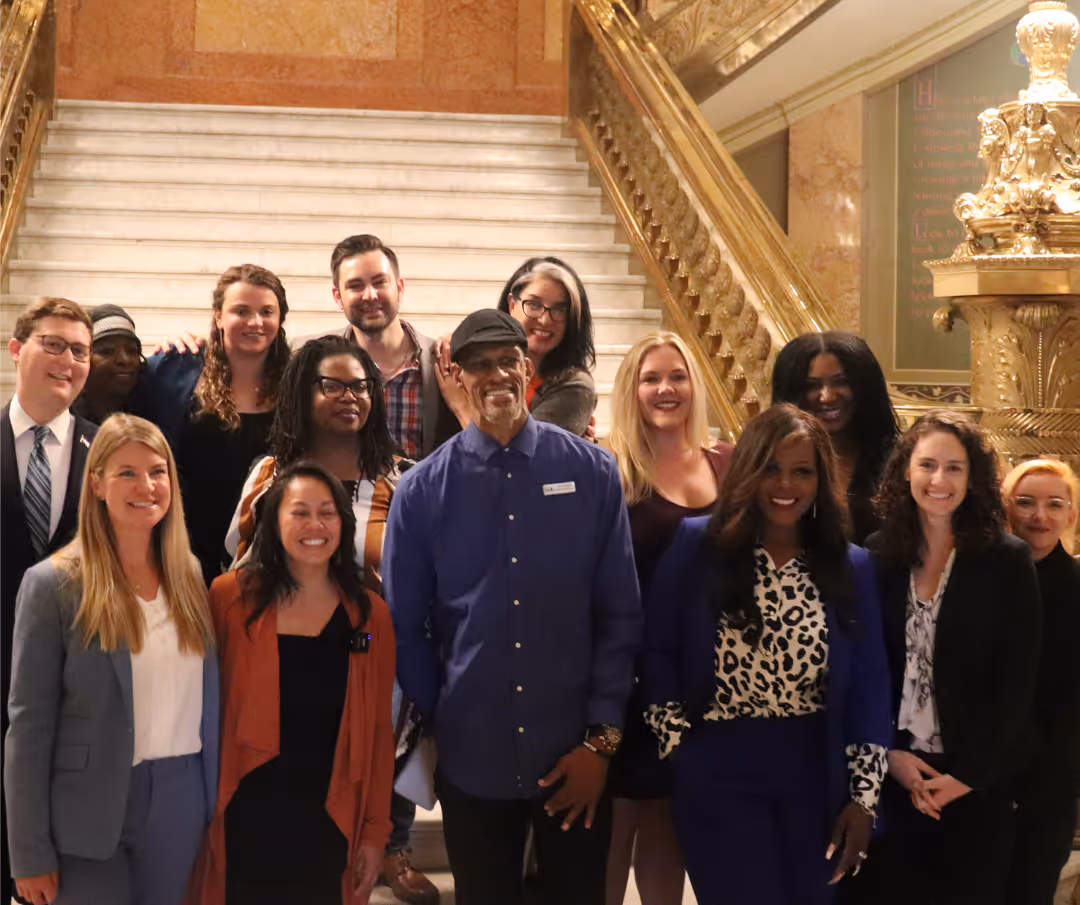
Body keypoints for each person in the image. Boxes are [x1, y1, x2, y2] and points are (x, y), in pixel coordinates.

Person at [383, 309, 641, 905]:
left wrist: (600, 743)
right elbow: (406, 627)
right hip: (473, 756)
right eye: (478, 363)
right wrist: (442, 719)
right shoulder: (422, 491)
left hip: (573, 751)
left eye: (507, 360)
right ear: (455, 375)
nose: (495, 374)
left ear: (528, 370)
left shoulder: (592, 472)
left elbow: (620, 616)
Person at [642, 403, 892, 905]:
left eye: (803, 471)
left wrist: (864, 800)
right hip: (719, 763)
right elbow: (656, 648)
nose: (786, 484)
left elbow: (869, 684)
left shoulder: (852, 565)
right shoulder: (698, 546)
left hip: (816, 770)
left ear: (821, 481)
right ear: (749, 471)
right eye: (771, 468)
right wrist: (681, 749)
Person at [5, 414, 218, 905]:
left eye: (158, 471)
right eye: (126, 472)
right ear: (96, 482)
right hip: (88, 805)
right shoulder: (52, 584)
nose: (146, 485)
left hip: (179, 800)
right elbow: (28, 726)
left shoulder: (188, 572)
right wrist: (28, 852)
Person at [851, 411, 1041, 905]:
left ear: (973, 477)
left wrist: (966, 778)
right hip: (896, 777)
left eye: (955, 468)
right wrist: (892, 756)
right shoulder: (876, 556)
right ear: (906, 472)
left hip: (978, 782)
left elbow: (1016, 684)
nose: (940, 480)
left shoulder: (1008, 561)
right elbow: (866, 671)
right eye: (928, 465)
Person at [197, 462, 395, 905]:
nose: (315, 525)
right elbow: (203, 711)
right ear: (274, 520)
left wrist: (375, 832)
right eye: (299, 512)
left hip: (329, 815)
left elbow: (380, 732)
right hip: (244, 813)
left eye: (327, 513)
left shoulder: (368, 615)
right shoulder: (228, 598)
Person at [604, 332, 733, 905]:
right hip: (622, 666)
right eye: (651, 378)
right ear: (631, 389)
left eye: (676, 377)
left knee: (665, 814)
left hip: (696, 672)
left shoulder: (726, 463)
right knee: (614, 820)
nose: (665, 389)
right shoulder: (606, 464)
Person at [1, 296, 98, 901]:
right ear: (17, 348)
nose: (68, 360)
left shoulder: (110, 454)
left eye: (80, 351)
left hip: (75, 691)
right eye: (53, 344)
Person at [132, 264, 292, 585]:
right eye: (241, 311)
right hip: (182, 552)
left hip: (269, 555)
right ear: (218, 316)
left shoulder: (296, 380)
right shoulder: (173, 370)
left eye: (266, 311)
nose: (255, 322)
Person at [224, 335, 400, 575]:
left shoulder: (403, 481)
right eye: (332, 386)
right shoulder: (269, 475)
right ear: (302, 395)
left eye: (360, 386)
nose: (349, 397)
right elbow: (240, 572)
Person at [1002, 458, 1080, 905]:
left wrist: (1036, 786)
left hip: (1049, 784)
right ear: (1007, 508)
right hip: (983, 780)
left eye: (1055, 504)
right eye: (1026, 502)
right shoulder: (985, 582)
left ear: (1070, 515)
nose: (1040, 516)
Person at [771, 331, 900, 544]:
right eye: (813, 386)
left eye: (841, 382)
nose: (827, 396)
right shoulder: (767, 460)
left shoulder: (901, 460)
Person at [492, 256, 596, 437]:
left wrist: (461, 408)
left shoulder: (574, 386)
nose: (545, 320)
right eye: (534, 304)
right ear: (512, 304)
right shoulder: (479, 365)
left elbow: (526, 460)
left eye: (559, 309)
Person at [72, 304, 145, 425]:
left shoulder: (154, 412)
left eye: (132, 351)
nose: (124, 360)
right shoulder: (62, 418)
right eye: (107, 351)